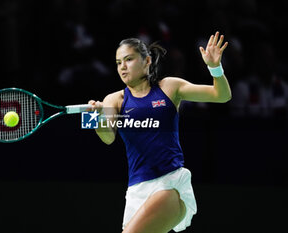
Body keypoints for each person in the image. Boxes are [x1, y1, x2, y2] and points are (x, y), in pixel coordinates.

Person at [88, 31, 231, 233]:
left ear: (147, 60)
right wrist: (97, 118)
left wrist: (215, 67)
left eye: (129, 59)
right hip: (136, 191)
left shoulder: (169, 87)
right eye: (118, 62)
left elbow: (221, 95)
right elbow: (107, 138)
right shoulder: (115, 99)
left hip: (169, 184)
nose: (123, 67)